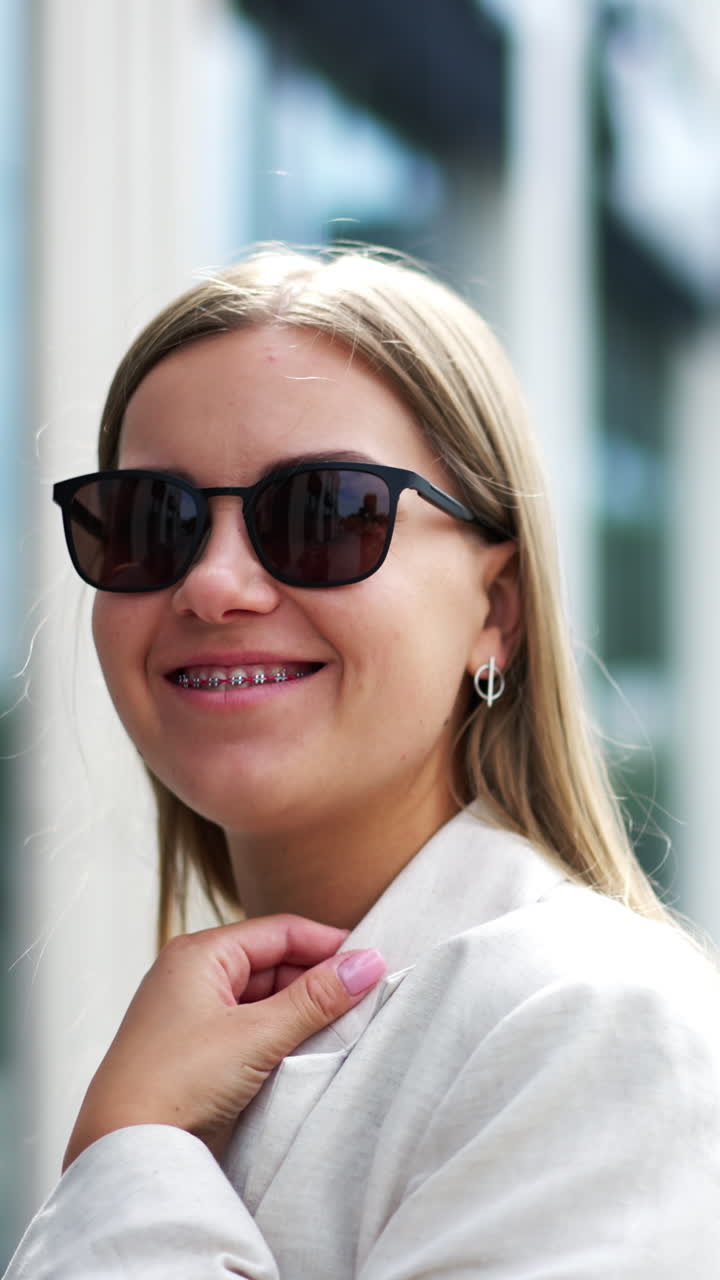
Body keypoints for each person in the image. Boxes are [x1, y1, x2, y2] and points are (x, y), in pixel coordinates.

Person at [6, 247, 720, 1278]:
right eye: (149, 522)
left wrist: (133, 1151)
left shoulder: (598, 1024)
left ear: (497, 613)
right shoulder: (202, 1048)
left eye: (325, 513)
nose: (212, 584)